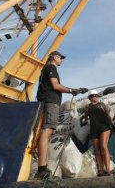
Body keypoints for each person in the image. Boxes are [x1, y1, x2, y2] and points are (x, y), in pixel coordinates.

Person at [35, 51, 82, 180]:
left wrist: (74, 90)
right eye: (60, 58)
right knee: (47, 131)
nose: (62, 60)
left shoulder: (46, 68)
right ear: (54, 57)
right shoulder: (51, 67)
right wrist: (73, 90)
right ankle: (42, 168)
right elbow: (56, 86)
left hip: (46, 102)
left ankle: (42, 167)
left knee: (48, 133)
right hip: (50, 102)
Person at [81, 90, 113, 176]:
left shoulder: (102, 105)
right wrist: (83, 118)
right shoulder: (87, 107)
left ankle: (108, 170)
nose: (94, 97)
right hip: (94, 129)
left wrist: (111, 125)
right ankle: (101, 171)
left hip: (104, 127)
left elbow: (107, 115)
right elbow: (86, 118)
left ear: (98, 97)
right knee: (97, 150)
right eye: (92, 96)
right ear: (89, 98)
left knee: (103, 146)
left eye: (96, 95)